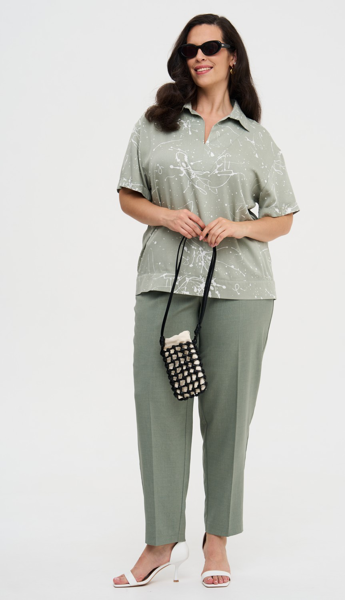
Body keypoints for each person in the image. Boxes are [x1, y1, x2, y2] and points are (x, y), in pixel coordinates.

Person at [113, 13, 300, 589]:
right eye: (190, 49)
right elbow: (127, 195)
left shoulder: (255, 137)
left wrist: (238, 227)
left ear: (231, 56)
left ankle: (216, 539)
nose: (200, 56)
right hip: (164, 282)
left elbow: (283, 218)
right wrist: (167, 215)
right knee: (158, 409)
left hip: (241, 289)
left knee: (228, 416)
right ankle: (160, 541)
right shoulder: (155, 124)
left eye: (211, 47)